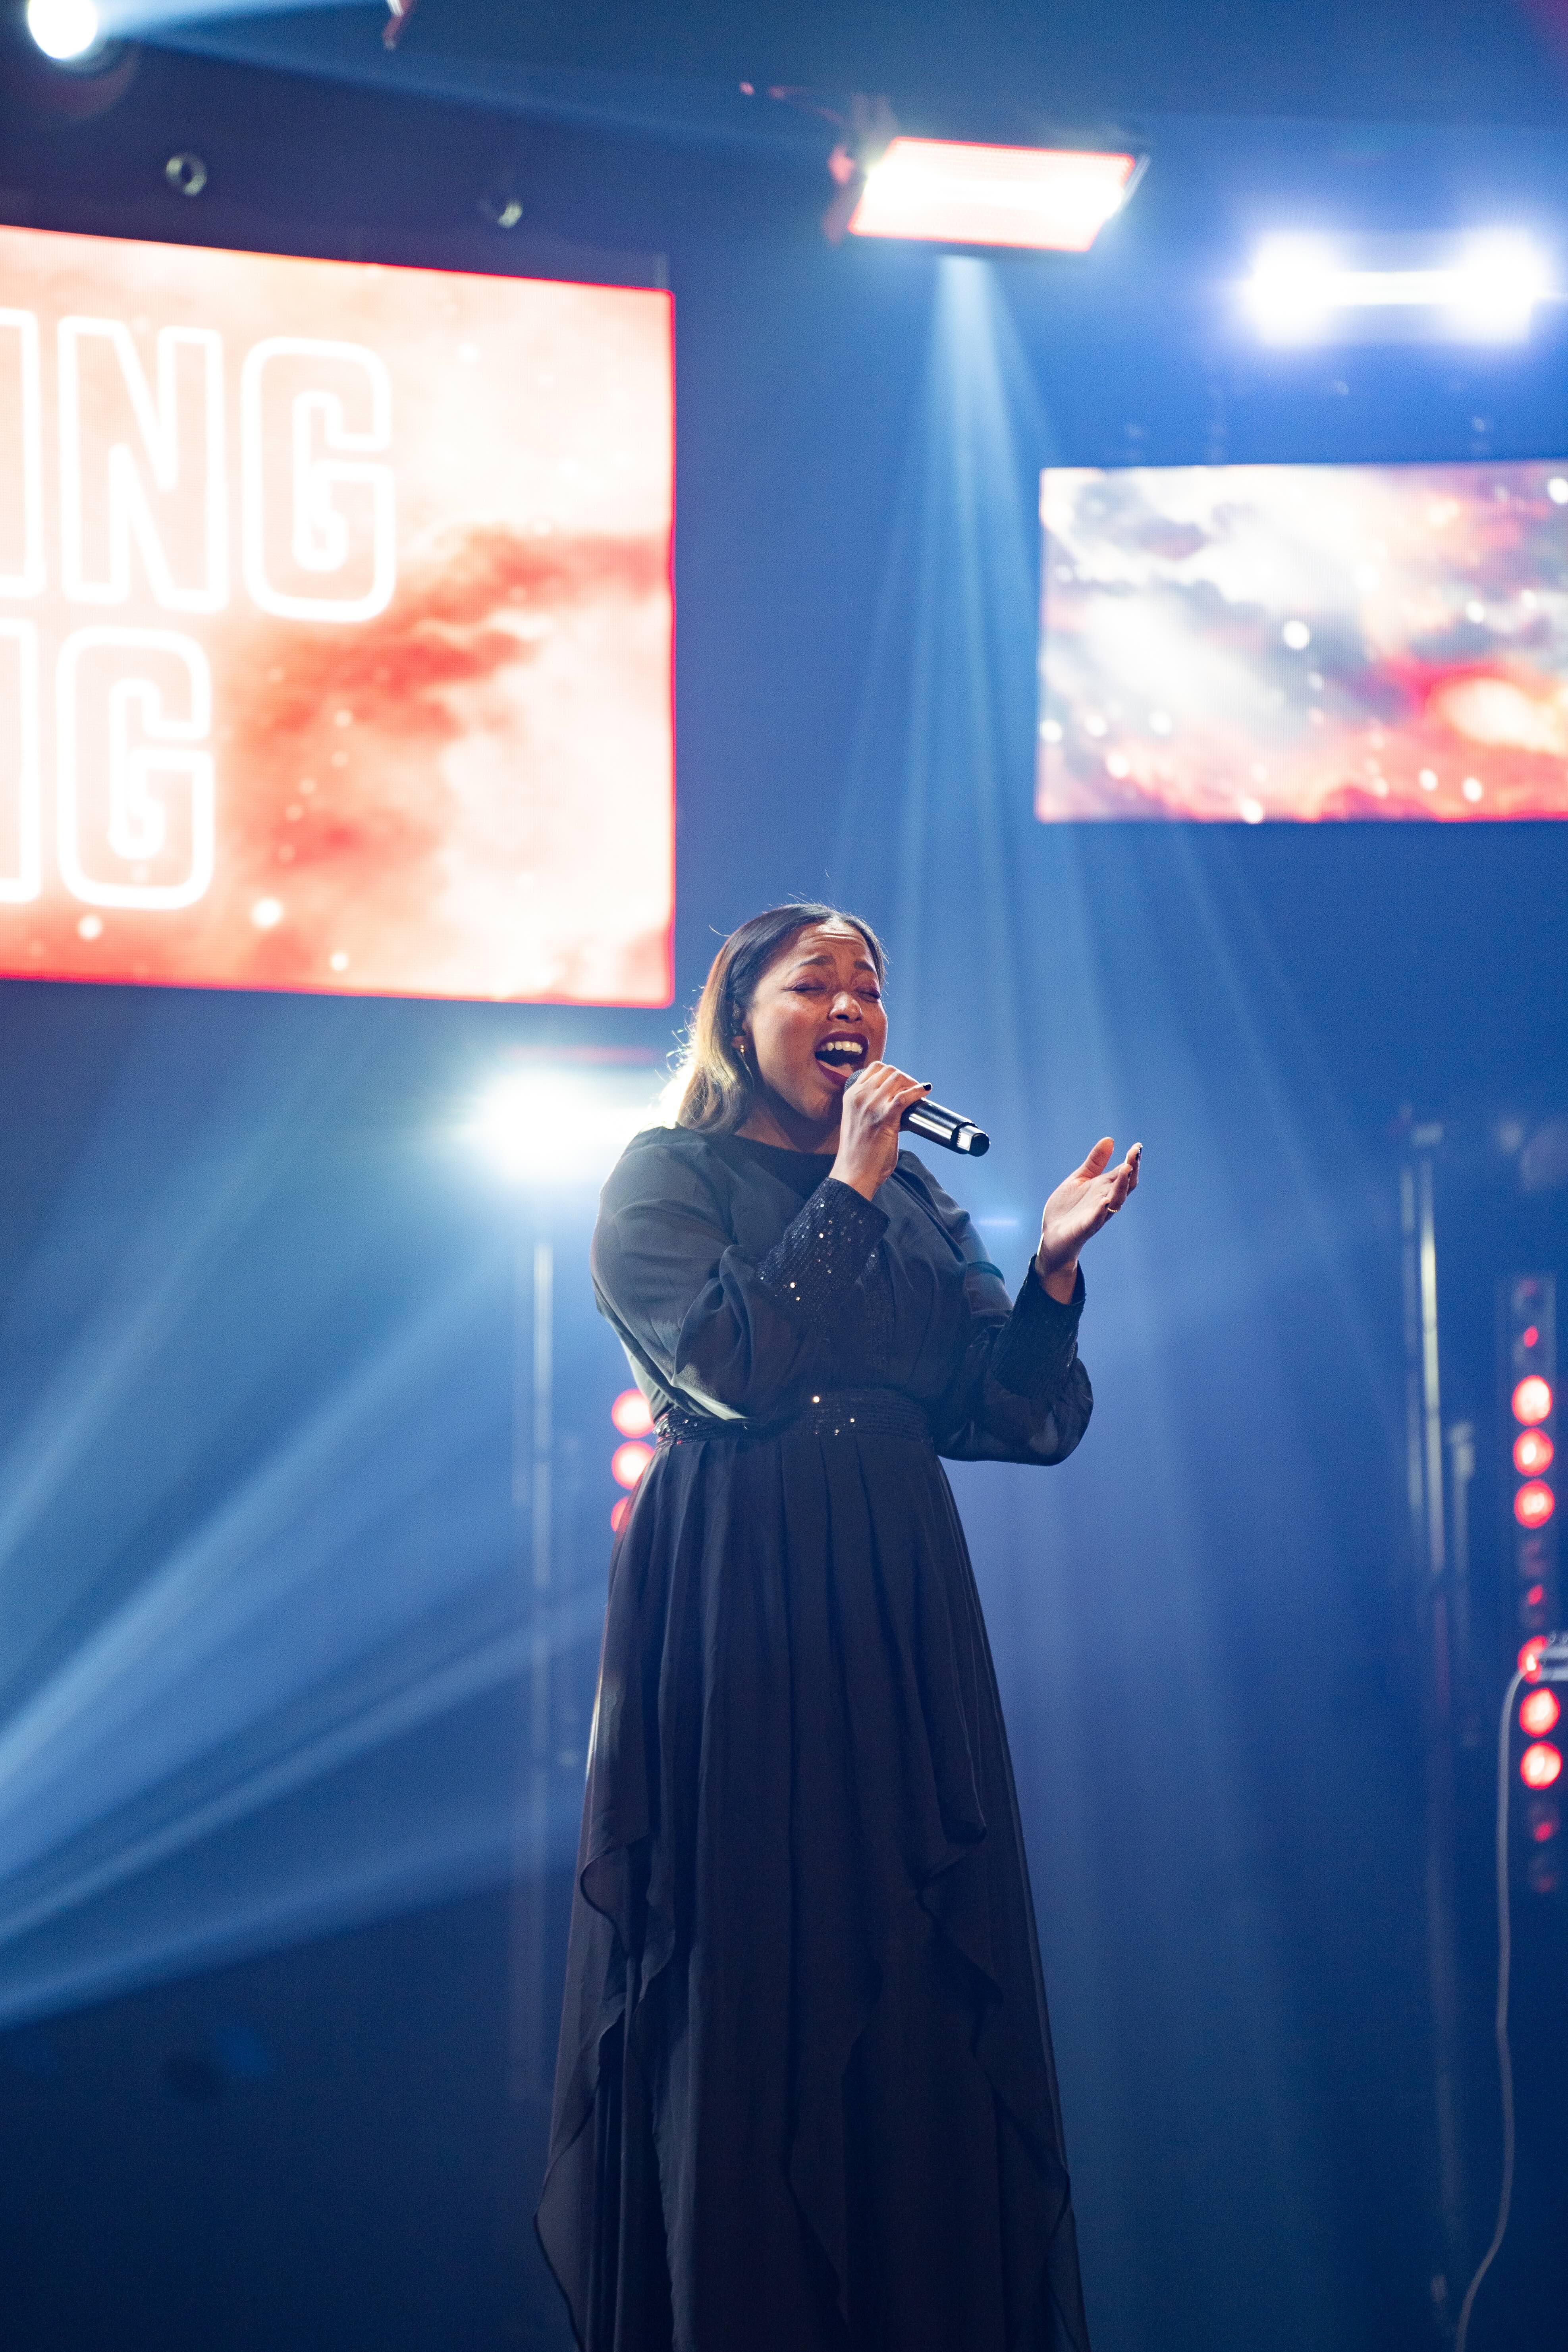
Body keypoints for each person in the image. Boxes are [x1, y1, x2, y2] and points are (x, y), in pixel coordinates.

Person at [537, 902, 1141, 2352]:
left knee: (914, 1964)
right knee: (758, 1960)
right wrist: (854, 1180)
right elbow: (732, 1365)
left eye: (870, 981)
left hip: (897, 1599)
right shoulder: (666, 1174)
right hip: (740, 1592)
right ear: (740, 1016)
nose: (853, 1003)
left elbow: (1011, 1413)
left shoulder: (921, 1199)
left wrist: (1053, 1275)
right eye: (816, 981)